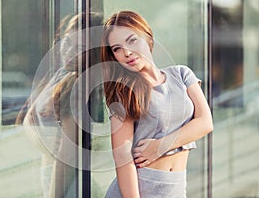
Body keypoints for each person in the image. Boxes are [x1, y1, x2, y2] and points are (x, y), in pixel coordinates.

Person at [101, 10, 213, 198]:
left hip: (175, 188)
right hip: (139, 190)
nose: (126, 52)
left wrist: (160, 146)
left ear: (147, 36)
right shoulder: (124, 93)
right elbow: (122, 158)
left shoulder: (181, 74)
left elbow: (205, 122)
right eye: (117, 48)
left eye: (132, 40)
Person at [16, 12, 103, 198]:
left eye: (80, 48)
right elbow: (27, 119)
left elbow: (67, 158)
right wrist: (46, 145)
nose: (69, 52)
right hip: (53, 175)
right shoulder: (63, 74)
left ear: (92, 53)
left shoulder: (79, 87)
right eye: (67, 42)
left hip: (67, 183)